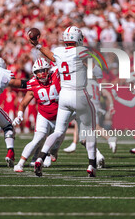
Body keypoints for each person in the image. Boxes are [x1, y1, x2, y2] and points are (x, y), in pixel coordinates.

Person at [31, 26, 97, 177]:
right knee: (90, 130)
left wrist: (37, 44)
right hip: (79, 94)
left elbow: (51, 56)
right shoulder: (82, 51)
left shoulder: (60, 52)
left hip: (64, 95)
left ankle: (40, 158)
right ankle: (91, 165)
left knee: (58, 131)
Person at [13, 58, 62, 172]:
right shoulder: (32, 84)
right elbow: (24, 103)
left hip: (59, 116)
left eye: (44, 70)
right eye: (38, 71)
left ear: (48, 70)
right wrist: (20, 115)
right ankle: (20, 164)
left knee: (58, 139)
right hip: (44, 116)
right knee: (38, 139)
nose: (41, 74)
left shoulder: (56, 75)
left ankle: (50, 153)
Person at [63, 65, 116, 157]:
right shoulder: (96, 84)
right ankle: (94, 153)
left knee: (94, 128)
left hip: (89, 107)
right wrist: (111, 105)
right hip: (95, 107)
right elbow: (107, 93)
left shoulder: (85, 82)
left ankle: (109, 139)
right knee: (83, 131)